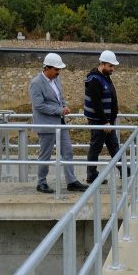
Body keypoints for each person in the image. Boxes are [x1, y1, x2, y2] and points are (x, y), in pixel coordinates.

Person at [29, 52, 87, 193]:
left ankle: (71, 181)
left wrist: (64, 106)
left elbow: (59, 97)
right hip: (46, 124)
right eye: (56, 69)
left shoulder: (56, 80)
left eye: (59, 69)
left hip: (60, 123)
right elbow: (38, 105)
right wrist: (59, 110)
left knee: (68, 151)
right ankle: (41, 182)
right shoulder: (36, 83)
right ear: (47, 68)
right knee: (45, 154)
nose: (58, 72)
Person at [83, 49, 124, 185]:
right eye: (110, 66)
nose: (112, 69)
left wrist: (110, 121)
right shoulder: (94, 80)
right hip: (99, 121)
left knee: (113, 146)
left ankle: (124, 170)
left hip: (107, 122)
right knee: (96, 147)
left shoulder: (105, 77)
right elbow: (96, 103)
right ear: (103, 64)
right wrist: (105, 122)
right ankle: (91, 175)